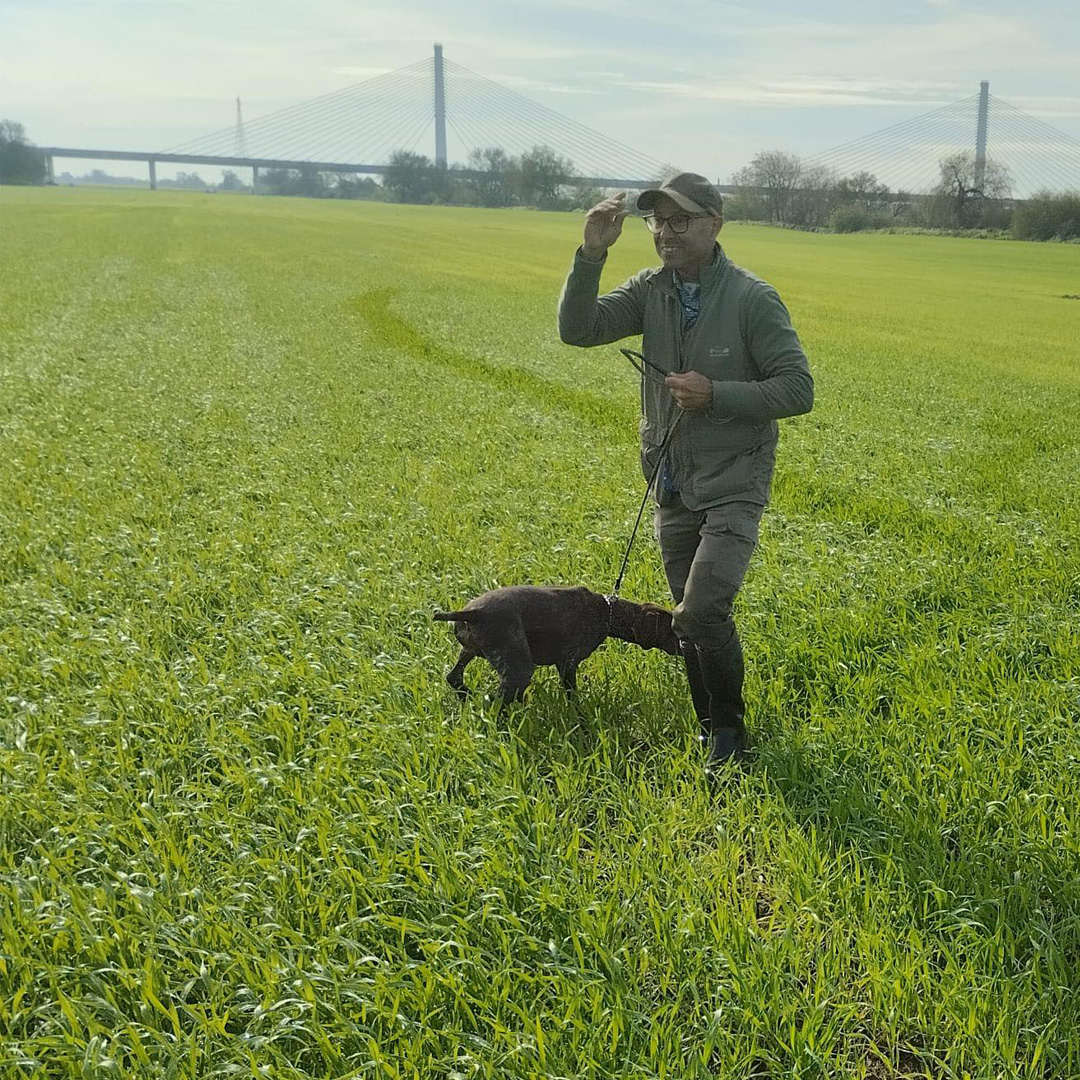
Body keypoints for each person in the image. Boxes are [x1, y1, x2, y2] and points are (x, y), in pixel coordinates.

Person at [557, 172, 813, 768]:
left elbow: (798, 388)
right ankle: (709, 727)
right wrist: (591, 253)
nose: (666, 233)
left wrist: (716, 393)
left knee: (700, 611)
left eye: (681, 221)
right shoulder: (651, 290)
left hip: (733, 482)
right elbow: (578, 331)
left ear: (714, 224)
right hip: (672, 480)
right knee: (688, 617)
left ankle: (728, 733)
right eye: (657, 222)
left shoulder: (752, 299)